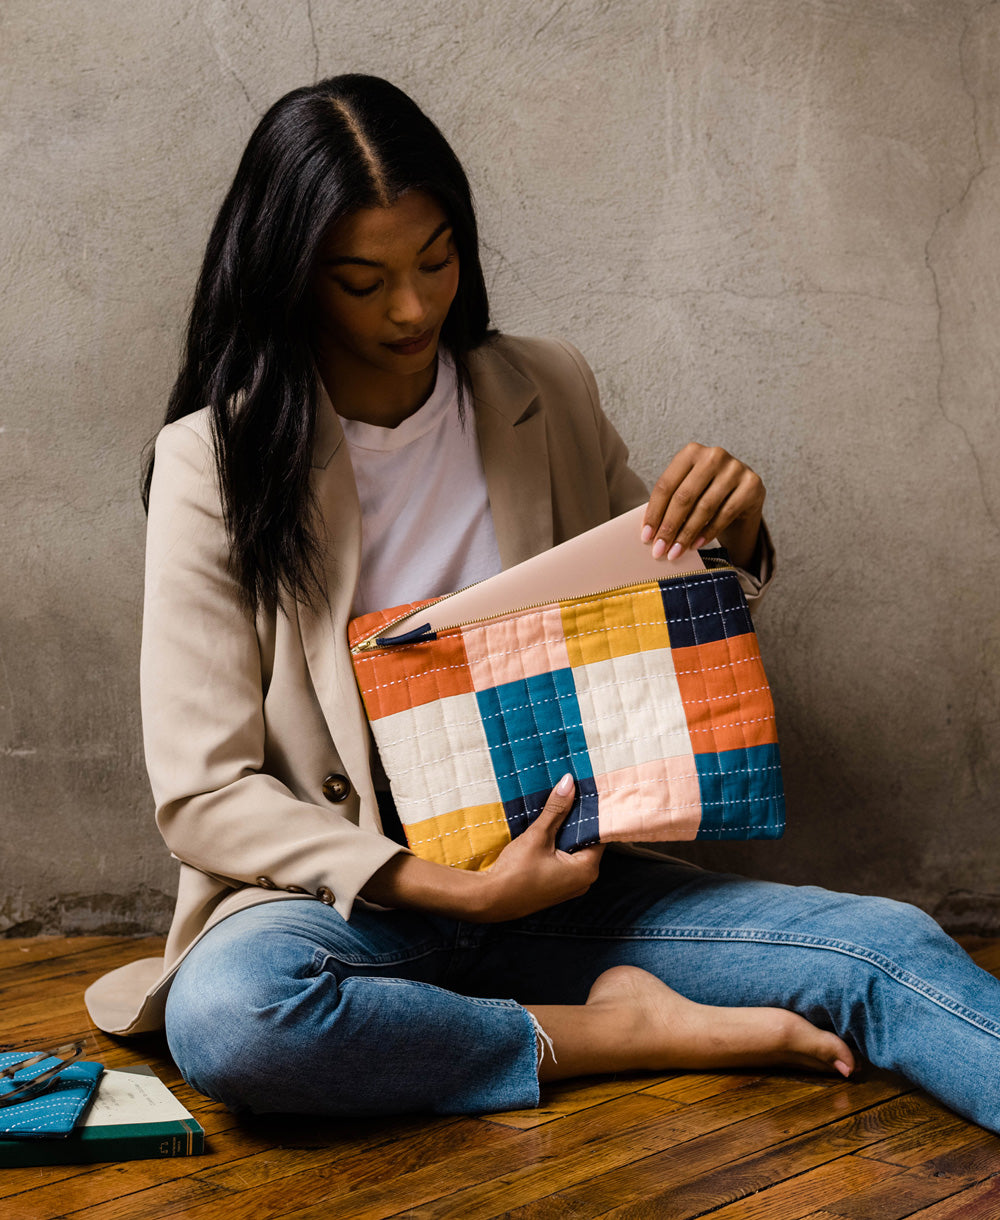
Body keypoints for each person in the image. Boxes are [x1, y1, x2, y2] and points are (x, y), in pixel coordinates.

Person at [85, 74, 1000, 1128]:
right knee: (235, 1015)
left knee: (882, 948)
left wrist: (730, 534)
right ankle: (617, 1031)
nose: (413, 306)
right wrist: (457, 891)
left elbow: (657, 605)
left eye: (436, 260)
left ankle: (554, 1002)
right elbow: (204, 792)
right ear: (292, 279)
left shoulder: (544, 387)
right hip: (348, 910)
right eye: (362, 279)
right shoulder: (214, 460)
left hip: (571, 889)